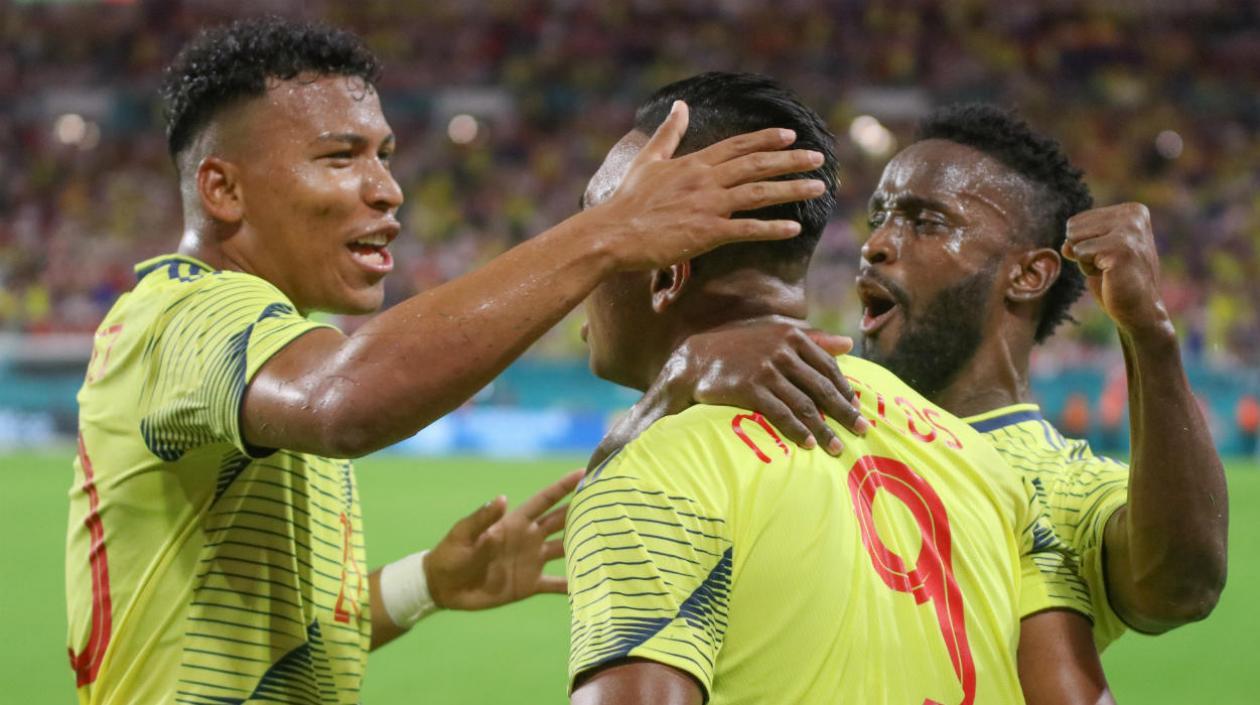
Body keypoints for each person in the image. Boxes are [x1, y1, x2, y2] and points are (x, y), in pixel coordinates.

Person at [65, 19, 864, 705]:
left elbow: (269, 640)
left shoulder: (265, 357)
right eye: (341, 157)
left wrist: (427, 582)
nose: (387, 189)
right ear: (223, 190)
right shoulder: (180, 315)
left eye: (384, 154)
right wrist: (610, 231)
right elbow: (345, 400)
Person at [565, 72, 1084, 705]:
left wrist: (616, 464)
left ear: (666, 275)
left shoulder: (655, 470)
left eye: (597, 231)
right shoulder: (980, 462)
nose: (577, 268)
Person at [857, 103, 1228, 698]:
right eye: (879, 217)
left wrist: (1149, 332)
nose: (875, 244)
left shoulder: (1061, 488)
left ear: (1028, 275)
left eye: (925, 222)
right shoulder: (800, 405)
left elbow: (1181, 586)